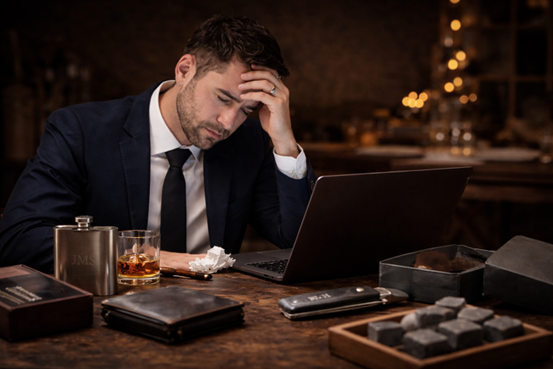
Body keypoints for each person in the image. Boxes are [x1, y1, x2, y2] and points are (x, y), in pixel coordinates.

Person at [0, 15, 316, 273]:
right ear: (184, 70)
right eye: (222, 98)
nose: (229, 122)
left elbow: (295, 240)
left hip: (216, 316)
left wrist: (285, 142)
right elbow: (20, 240)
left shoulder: (251, 143)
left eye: (246, 110)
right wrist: (152, 257)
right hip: (109, 312)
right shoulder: (81, 131)